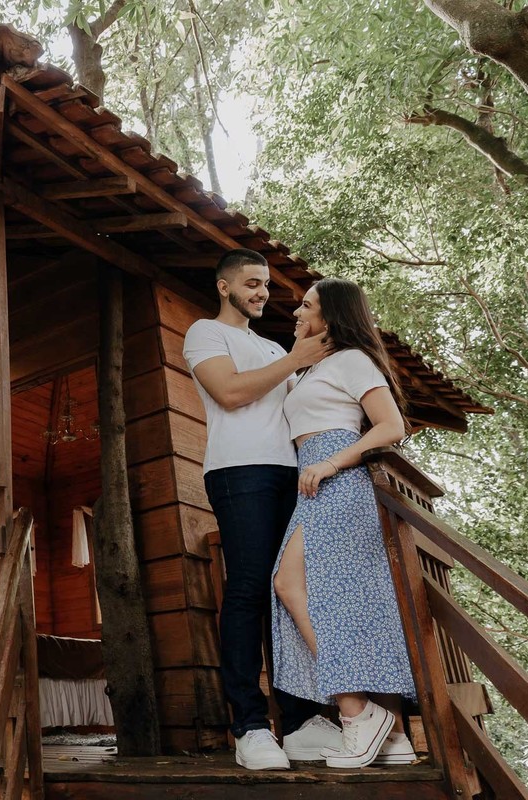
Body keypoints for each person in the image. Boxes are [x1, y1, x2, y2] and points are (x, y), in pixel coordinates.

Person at [183, 249, 340, 771]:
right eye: (252, 283)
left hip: (291, 474)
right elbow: (229, 393)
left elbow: (301, 408)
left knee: (287, 591)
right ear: (225, 286)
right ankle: (250, 726)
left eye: (266, 285)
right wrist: (297, 359)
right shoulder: (205, 332)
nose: (262, 293)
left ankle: (297, 723)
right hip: (239, 470)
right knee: (249, 587)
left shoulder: (273, 347)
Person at [271, 276, 419, 769]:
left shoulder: (352, 359)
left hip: (337, 477)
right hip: (313, 480)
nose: (297, 311)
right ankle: (393, 736)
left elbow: (391, 426)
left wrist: (333, 463)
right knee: (350, 604)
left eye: (306, 305)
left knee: (289, 583)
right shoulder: (312, 369)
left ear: (331, 314)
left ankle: (357, 714)